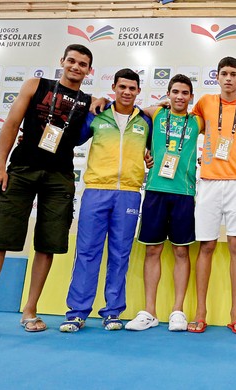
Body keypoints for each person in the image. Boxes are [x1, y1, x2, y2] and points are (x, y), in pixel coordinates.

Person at [0, 44, 94, 341]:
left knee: (47, 243)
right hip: (21, 169)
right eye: (72, 61)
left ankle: (30, 310)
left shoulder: (88, 102)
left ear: (89, 71)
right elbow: (12, 125)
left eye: (83, 64)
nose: (76, 67)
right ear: (62, 61)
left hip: (60, 176)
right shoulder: (36, 85)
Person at [59, 68, 151, 332]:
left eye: (132, 88)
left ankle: (112, 312)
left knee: (120, 255)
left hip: (129, 194)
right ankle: (77, 312)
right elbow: (71, 140)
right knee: (87, 252)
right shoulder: (97, 116)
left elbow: (156, 145)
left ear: (138, 91)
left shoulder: (145, 120)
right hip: (96, 191)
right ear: (114, 87)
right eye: (122, 87)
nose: (127, 92)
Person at [124, 74, 204, 332]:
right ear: (168, 94)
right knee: (153, 250)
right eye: (175, 92)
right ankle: (149, 311)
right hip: (156, 191)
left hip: (184, 193)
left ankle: (178, 311)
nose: (180, 96)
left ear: (191, 97)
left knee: (181, 251)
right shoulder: (157, 115)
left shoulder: (197, 121)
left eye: (185, 93)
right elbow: (134, 108)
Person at [189, 57, 236, 334]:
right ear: (217, 77)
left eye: (233, 74)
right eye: (224, 74)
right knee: (206, 247)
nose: (228, 78)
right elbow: (179, 116)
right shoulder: (205, 102)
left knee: (235, 247)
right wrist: (156, 105)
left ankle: (235, 313)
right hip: (208, 182)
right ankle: (200, 311)